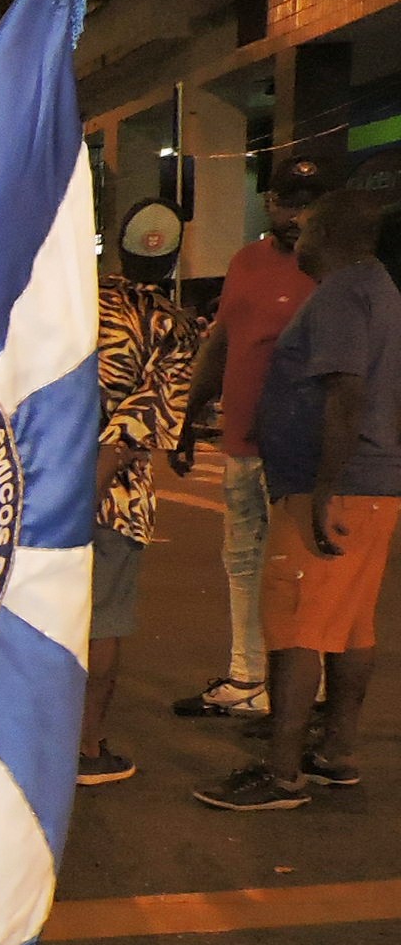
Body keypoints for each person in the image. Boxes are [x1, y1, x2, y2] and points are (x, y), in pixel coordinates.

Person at [195, 189, 401, 812]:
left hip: (334, 486)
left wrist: (324, 487)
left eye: (308, 226)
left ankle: (281, 774)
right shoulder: (379, 289)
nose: (297, 234)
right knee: (350, 627)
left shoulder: (341, 293)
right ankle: (335, 753)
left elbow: (346, 391)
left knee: (294, 627)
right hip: (370, 484)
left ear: (334, 234)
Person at [171, 156, 340, 718]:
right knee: (242, 561)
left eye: (310, 203)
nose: (298, 215)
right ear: (269, 202)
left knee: (298, 568)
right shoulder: (245, 262)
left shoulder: (334, 270)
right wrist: (189, 415)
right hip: (242, 443)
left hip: (300, 451)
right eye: (289, 201)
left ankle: (302, 694)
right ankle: (247, 676)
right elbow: (222, 343)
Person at [78, 253, 198, 785]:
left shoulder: (71, 297)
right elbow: (137, 426)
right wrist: (86, 498)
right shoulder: (171, 324)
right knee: (101, 623)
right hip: (110, 501)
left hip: (30, 486)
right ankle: (85, 749)